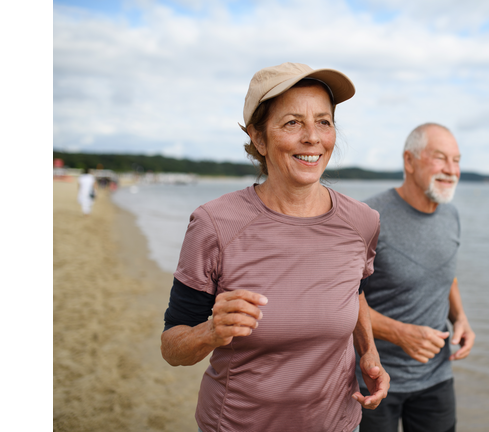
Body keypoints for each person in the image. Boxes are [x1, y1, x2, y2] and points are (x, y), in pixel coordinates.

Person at [160, 62, 389, 432]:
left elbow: (354, 290)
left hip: (339, 424)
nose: (313, 137)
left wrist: (369, 352)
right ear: (260, 138)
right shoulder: (215, 224)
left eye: (324, 121)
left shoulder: (363, 222)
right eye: (293, 122)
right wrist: (211, 332)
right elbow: (171, 347)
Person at [357, 123, 475, 432]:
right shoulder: (369, 218)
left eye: (457, 160)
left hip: (436, 378)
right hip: (374, 377)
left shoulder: (451, 215)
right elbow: (340, 301)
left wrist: (460, 317)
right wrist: (399, 333)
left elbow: (445, 273)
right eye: (440, 158)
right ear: (409, 161)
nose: (451, 170)